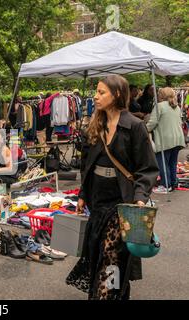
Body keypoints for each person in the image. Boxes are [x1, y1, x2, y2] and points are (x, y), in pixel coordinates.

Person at [66, 75, 159, 300]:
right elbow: (86, 165)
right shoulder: (95, 124)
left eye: (101, 92)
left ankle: (105, 294)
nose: (96, 97)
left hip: (123, 200)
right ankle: (117, 293)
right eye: (96, 92)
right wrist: (82, 194)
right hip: (98, 199)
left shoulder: (135, 126)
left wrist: (139, 197)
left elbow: (148, 168)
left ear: (117, 94)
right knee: (100, 250)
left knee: (111, 253)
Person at [146, 87, 186, 193]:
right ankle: (173, 182)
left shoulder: (159, 106)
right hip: (177, 138)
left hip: (165, 139)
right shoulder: (176, 106)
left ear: (161, 95)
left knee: (163, 163)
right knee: (172, 163)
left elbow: (152, 123)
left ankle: (165, 185)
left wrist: (143, 129)